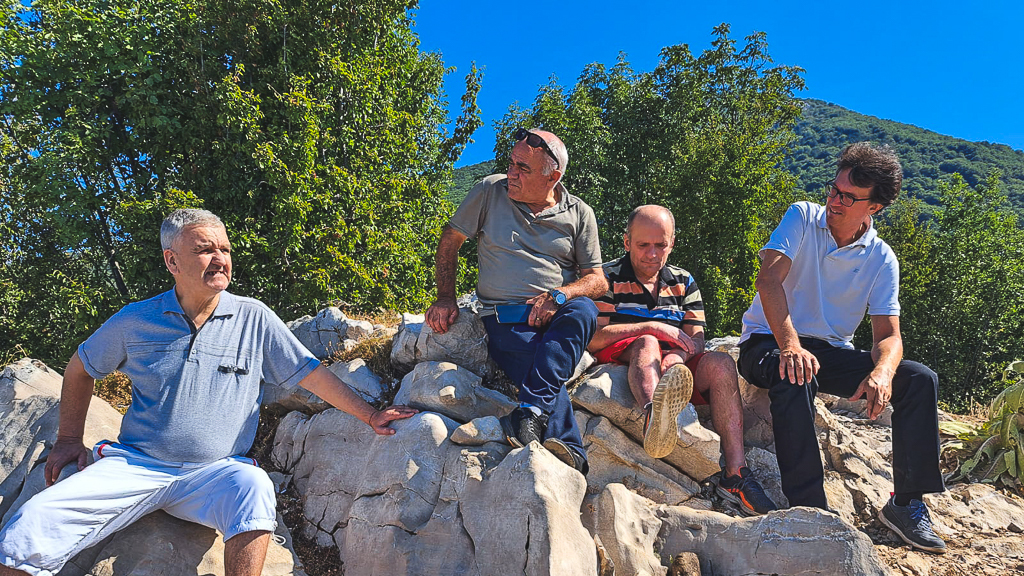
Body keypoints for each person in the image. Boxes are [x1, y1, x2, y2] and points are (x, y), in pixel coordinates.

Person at [0, 209, 418, 576]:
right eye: (205, 250)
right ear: (172, 261)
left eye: (225, 249)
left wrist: (369, 415)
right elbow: (79, 369)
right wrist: (69, 439)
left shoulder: (254, 317)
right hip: (135, 466)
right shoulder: (136, 321)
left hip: (215, 472)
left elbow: (309, 373)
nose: (220, 259)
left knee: (253, 486)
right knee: (29, 526)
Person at [737, 143, 946, 553]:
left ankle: (905, 504)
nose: (834, 201)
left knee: (919, 379)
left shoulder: (882, 258)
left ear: (877, 207)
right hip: (768, 339)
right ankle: (810, 510)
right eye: (833, 190)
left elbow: (889, 336)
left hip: (830, 351)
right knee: (792, 370)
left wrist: (882, 372)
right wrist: (791, 344)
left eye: (848, 197)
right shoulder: (802, 216)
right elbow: (768, 281)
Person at [425, 128, 606, 474]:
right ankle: (569, 450)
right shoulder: (490, 191)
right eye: (511, 163)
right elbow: (450, 239)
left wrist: (560, 294)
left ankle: (532, 417)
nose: (511, 173)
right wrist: (445, 297)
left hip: (559, 314)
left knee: (584, 309)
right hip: (506, 317)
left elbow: (597, 280)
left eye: (523, 168)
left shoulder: (579, 213)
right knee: (543, 368)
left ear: (552, 176)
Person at [589, 205, 778, 516]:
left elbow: (697, 338)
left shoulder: (683, 281)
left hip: (673, 363)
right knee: (647, 343)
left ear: (672, 243)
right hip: (624, 353)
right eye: (643, 245)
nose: (652, 254)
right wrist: (650, 327)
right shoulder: (606, 278)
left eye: (660, 245)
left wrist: (678, 356)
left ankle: (736, 474)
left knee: (720, 364)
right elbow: (595, 336)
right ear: (626, 242)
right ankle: (655, 418)